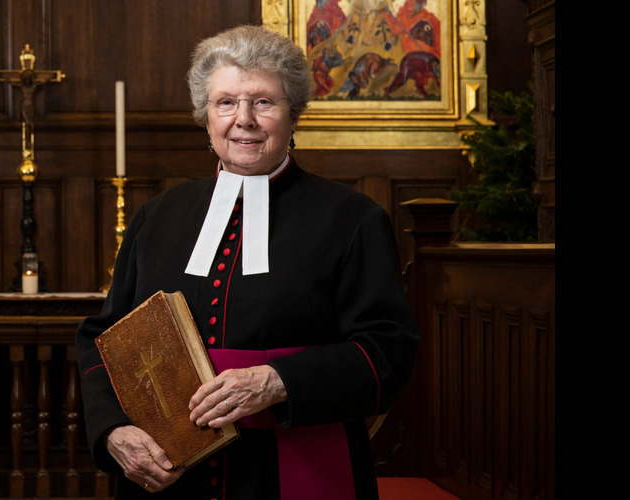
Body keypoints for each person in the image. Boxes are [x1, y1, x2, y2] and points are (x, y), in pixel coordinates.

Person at [75, 25, 418, 500]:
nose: (244, 120)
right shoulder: (159, 216)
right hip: (171, 474)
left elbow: (388, 352)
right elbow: (102, 339)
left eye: (263, 102)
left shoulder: (352, 219)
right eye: (226, 102)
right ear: (206, 116)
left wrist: (278, 381)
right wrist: (112, 429)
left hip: (294, 467)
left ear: (293, 115)